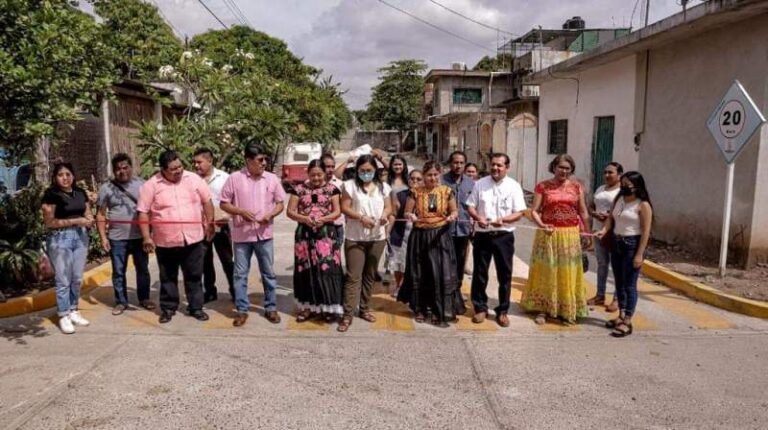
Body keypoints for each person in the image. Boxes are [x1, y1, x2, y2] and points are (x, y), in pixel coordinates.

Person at [137, 150, 214, 324]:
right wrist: (146, 237)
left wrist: (210, 223)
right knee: (168, 277)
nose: (178, 170)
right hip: (166, 241)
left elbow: (207, 201)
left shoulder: (193, 179)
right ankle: (168, 308)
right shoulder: (151, 185)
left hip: (193, 238)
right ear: (163, 170)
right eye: (173, 169)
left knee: (194, 275)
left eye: (180, 166)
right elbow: (143, 212)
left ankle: (196, 307)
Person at [220, 145, 286, 327]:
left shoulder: (272, 179)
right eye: (260, 160)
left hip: (264, 235)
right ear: (248, 161)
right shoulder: (234, 178)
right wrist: (240, 211)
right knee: (240, 274)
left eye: (265, 159)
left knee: (268, 273)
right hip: (242, 236)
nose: (264, 163)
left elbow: (280, 203)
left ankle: (271, 308)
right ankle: (242, 310)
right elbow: (224, 203)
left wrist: (271, 214)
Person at [521, 154, 590, 325]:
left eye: (567, 168)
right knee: (547, 270)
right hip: (548, 234)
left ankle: (565, 310)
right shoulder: (542, 187)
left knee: (567, 272)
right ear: (554, 167)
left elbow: (583, 211)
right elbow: (534, 210)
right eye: (561, 167)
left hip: (570, 236)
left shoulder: (577, 187)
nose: (564, 171)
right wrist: (542, 225)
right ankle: (543, 309)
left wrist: (587, 234)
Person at [398, 161, 465, 327]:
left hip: (440, 236)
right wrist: (411, 216)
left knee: (439, 273)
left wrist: (452, 216)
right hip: (420, 236)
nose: (432, 178)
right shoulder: (415, 192)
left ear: (439, 175)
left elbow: (454, 211)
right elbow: (407, 212)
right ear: (424, 176)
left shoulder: (446, 191)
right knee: (420, 272)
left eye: (435, 174)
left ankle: (438, 310)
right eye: (429, 175)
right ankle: (420, 309)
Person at [466, 153, 527, 327]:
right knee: (480, 273)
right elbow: (470, 206)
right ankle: (480, 308)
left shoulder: (514, 186)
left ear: (507, 167)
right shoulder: (480, 183)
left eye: (499, 165)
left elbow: (520, 212)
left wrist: (504, 219)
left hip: (504, 236)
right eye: (493, 164)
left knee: (504, 275)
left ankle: (502, 311)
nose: (495, 168)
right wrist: (478, 217)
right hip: (483, 235)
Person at [337, 154, 392, 332]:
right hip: (355, 237)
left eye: (369, 170)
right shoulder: (350, 186)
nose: (366, 173)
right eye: (362, 170)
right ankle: (347, 314)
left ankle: (364, 308)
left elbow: (389, 207)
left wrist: (384, 216)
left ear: (375, 170)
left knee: (370, 275)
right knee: (353, 276)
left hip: (377, 237)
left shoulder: (383, 187)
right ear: (357, 170)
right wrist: (361, 217)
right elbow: (344, 207)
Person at [596, 171, 653, 338]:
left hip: (632, 245)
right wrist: (604, 231)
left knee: (629, 285)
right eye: (623, 183)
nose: (624, 186)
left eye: (628, 184)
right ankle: (621, 315)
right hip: (617, 242)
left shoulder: (643, 205)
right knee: (619, 283)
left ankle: (627, 321)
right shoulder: (619, 199)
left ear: (637, 186)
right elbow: (610, 219)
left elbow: (646, 231)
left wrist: (639, 254)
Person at [96, 153, 154, 316]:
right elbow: (100, 214)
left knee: (142, 269)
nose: (122, 171)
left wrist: (150, 235)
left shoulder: (142, 185)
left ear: (131, 167)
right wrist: (103, 237)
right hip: (117, 238)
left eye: (125, 167)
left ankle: (144, 298)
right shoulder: (106, 188)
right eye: (118, 169)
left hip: (139, 237)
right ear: (114, 171)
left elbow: (150, 211)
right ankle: (121, 301)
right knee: (118, 271)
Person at [286, 160, 343, 322]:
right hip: (304, 235)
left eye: (319, 174)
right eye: (312, 175)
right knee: (306, 270)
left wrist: (323, 219)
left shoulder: (333, 189)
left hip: (326, 235)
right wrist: (305, 219)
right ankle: (307, 308)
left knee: (327, 269)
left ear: (324, 173)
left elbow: (337, 212)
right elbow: (290, 212)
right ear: (308, 174)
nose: (316, 178)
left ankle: (327, 308)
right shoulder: (298, 189)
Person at [42, 162, 94, 334]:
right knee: (63, 279)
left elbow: (87, 211)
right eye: (60, 175)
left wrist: (89, 219)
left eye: (68, 174)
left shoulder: (80, 192)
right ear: (55, 178)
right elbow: (49, 222)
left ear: (73, 175)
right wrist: (76, 221)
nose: (65, 178)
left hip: (80, 237)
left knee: (77, 277)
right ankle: (63, 314)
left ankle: (73, 310)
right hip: (60, 238)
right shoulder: (51, 195)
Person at [193, 148, 234, 303]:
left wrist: (227, 217)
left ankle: (235, 290)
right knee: (205, 260)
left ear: (210, 161)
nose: (196, 165)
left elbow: (234, 200)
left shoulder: (224, 178)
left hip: (221, 225)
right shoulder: (192, 179)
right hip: (201, 226)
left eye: (199, 162)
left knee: (227, 260)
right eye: (195, 162)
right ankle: (210, 291)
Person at [587, 162, 623, 312]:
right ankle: (600, 295)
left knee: (617, 266)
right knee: (602, 264)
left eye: (610, 172)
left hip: (615, 233)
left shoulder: (622, 192)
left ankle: (617, 298)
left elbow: (624, 211)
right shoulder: (600, 189)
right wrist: (594, 214)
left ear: (619, 175)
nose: (607, 175)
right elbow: (590, 205)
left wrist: (609, 216)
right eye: (605, 172)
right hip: (598, 231)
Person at [441, 151, 474, 292]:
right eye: (455, 162)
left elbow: (474, 206)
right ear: (450, 164)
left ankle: (457, 291)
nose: (458, 166)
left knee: (460, 262)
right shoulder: (441, 181)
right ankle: (444, 291)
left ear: (465, 164)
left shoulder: (471, 184)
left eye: (461, 163)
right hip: (443, 229)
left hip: (463, 230)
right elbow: (432, 205)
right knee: (444, 262)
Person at [387, 169, 423, 297]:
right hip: (400, 232)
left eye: (418, 179)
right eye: (412, 178)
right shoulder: (400, 195)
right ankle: (399, 286)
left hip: (419, 234)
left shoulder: (427, 195)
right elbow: (393, 213)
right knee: (399, 262)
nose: (415, 181)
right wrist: (388, 231)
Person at [321, 153, 345, 246]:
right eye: (327, 166)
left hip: (337, 225)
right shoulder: (312, 183)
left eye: (332, 166)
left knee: (335, 253)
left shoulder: (340, 184)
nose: (330, 169)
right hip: (320, 225)